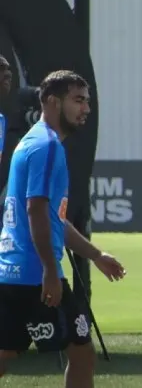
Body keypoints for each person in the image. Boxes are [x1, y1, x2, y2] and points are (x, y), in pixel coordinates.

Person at [0, 70, 126, 386]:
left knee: (8, 354)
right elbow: (36, 209)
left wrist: (95, 255)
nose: (86, 109)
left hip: (13, 272)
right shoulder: (48, 146)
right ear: (52, 102)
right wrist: (50, 272)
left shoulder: (33, 141)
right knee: (82, 353)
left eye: (87, 101)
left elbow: (53, 218)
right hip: (34, 275)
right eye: (78, 100)